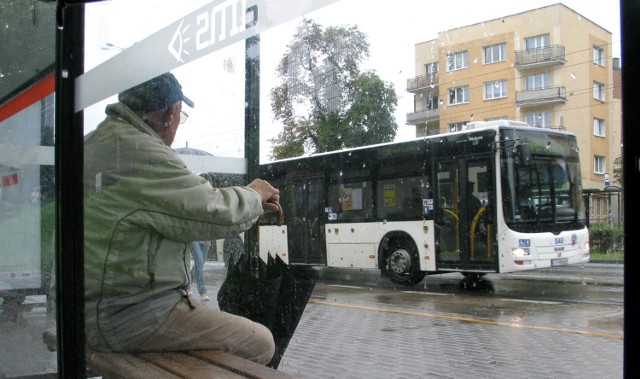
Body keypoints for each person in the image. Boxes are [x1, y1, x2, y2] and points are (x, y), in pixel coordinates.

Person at [82, 72, 279, 364]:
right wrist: (254, 193)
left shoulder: (97, 142)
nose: (177, 123)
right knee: (261, 342)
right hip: (128, 314)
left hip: (94, 306)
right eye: (180, 115)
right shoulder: (140, 151)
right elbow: (214, 213)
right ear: (169, 114)